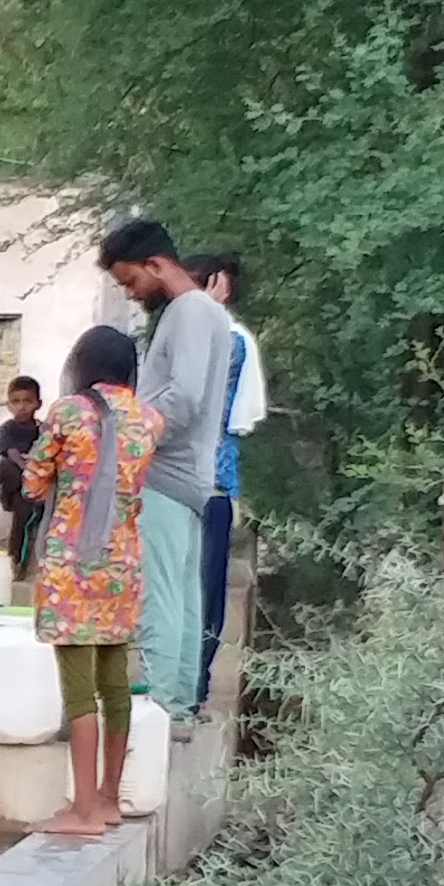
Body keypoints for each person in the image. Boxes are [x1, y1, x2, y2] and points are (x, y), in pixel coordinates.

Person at [15, 324, 160, 839]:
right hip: (122, 561)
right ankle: (108, 799)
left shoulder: (68, 412)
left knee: (78, 691)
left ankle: (82, 810)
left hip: (73, 564)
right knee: (114, 682)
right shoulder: (148, 419)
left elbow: (33, 483)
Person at [97, 217, 231, 725]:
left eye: (131, 281)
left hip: (166, 476)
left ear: (156, 264)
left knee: (160, 595)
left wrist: (132, 436)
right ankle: (175, 700)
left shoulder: (190, 312)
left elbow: (184, 398)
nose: (132, 294)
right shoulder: (204, 313)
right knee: (183, 594)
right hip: (187, 476)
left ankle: (164, 705)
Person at [190, 251, 267, 698]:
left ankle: (194, 685)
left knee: (204, 583)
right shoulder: (199, 336)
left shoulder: (226, 341)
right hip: (183, 482)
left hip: (210, 482)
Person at [0, 374, 44, 553]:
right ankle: (16, 556)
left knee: (25, 513)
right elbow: (13, 454)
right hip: (16, 481)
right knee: (7, 467)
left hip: (36, 483)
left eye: (27, 401)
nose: (22, 407)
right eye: (16, 402)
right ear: (9, 405)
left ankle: (19, 558)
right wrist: (28, 469)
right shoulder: (8, 428)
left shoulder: (43, 429)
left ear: (38, 403)